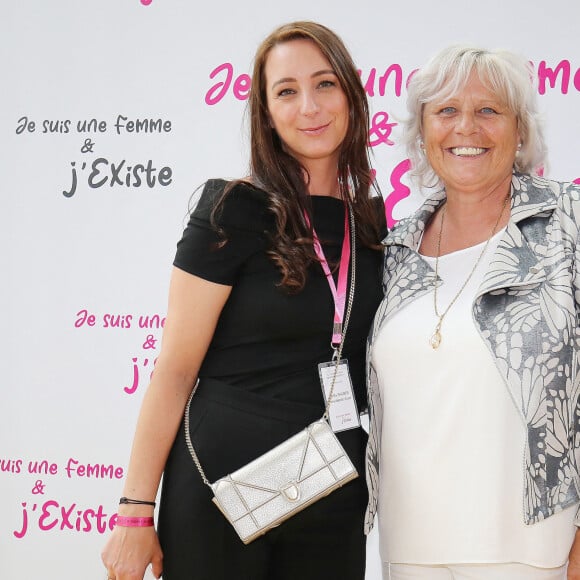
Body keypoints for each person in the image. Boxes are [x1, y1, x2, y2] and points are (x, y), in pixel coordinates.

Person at [101, 20, 385, 580]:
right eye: (286, 91)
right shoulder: (233, 210)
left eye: (324, 83)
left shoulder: (373, 228)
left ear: (352, 93)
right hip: (220, 493)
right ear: (266, 112)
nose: (309, 106)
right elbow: (175, 369)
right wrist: (135, 512)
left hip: (332, 494)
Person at [365, 45, 580, 579]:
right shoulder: (396, 249)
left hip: (533, 552)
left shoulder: (567, 224)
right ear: (422, 133)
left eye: (489, 110)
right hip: (409, 549)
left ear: (521, 130)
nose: (467, 127)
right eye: (446, 111)